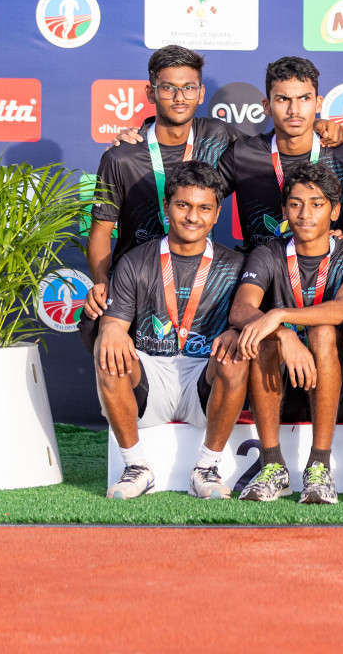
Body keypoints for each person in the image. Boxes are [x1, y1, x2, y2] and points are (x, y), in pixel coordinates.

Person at [94, 162, 248, 500]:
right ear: (167, 207)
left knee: (237, 355)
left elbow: (248, 319)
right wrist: (111, 329)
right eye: (183, 205)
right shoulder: (135, 261)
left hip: (203, 374)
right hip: (151, 372)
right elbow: (114, 325)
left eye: (204, 208)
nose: (193, 217)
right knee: (107, 348)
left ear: (217, 213)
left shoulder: (236, 266)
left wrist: (237, 331)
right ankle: (136, 467)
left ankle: (206, 469)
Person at [229, 162, 343, 504]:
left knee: (322, 333)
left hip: (337, 395)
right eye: (295, 204)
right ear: (284, 209)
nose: (305, 214)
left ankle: (319, 467)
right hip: (279, 394)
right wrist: (283, 334)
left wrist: (280, 315)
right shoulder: (268, 253)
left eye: (317, 204)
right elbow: (241, 310)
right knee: (263, 338)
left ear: (335, 211)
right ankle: (273, 466)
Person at [83, 46, 240, 347]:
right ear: (151, 92)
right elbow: (101, 232)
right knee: (99, 330)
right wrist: (102, 282)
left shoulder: (220, 138)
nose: (180, 97)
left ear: (201, 92)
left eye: (188, 88)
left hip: (202, 282)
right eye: (169, 88)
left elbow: (275, 151)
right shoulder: (122, 157)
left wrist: (324, 132)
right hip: (137, 283)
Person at [218, 57, 343, 250]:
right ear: (267, 106)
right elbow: (198, 201)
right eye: (283, 99)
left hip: (324, 273)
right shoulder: (242, 154)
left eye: (304, 98)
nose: (294, 110)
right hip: (261, 274)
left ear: (318, 103)